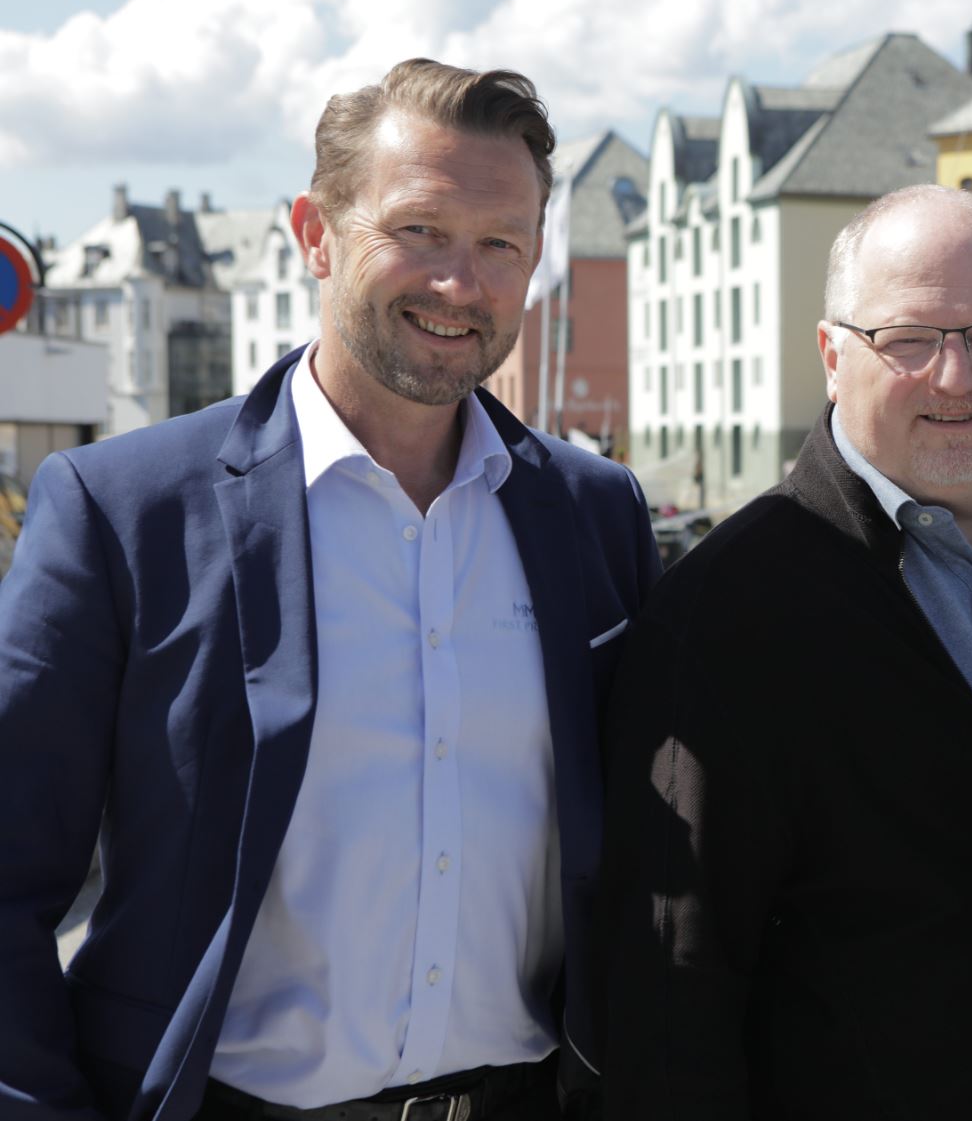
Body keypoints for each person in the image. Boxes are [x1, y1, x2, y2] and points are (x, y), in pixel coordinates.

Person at [0, 59, 661, 1121]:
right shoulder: (124, 512)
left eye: (501, 244)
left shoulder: (597, 514)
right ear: (316, 233)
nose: (461, 284)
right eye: (420, 230)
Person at [596, 184, 972, 1119]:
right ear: (831, 356)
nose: (955, 376)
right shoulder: (729, 610)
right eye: (909, 340)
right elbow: (672, 989)